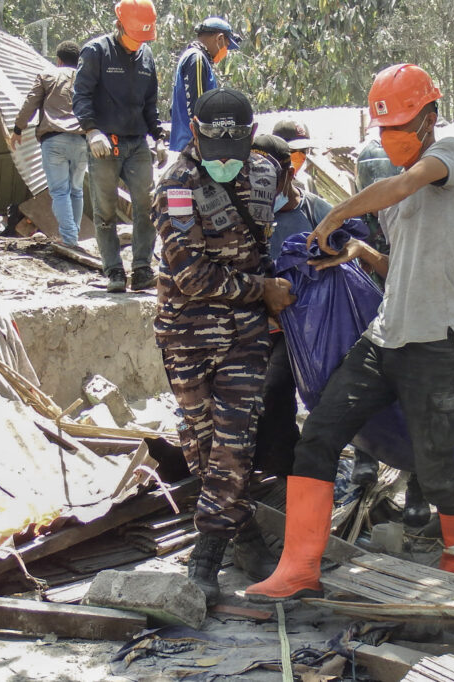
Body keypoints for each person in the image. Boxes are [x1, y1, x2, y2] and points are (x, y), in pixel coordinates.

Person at [247, 64, 454, 602]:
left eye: (401, 125)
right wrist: (358, 251)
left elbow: (401, 183)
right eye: (384, 129)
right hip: (385, 336)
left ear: (429, 118)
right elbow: (405, 264)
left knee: (438, 469)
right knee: (319, 437)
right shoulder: (397, 193)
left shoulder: (451, 154)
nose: (391, 136)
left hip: (437, 341)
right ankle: (299, 569)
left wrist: (332, 220)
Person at [154, 87, 295, 604]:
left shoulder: (265, 171)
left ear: (252, 137)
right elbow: (189, 274)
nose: (224, 165)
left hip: (245, 335)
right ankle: (246, 534)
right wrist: (263, 290)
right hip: (187, 332)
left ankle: (205, 558)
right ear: (195, 132)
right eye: (215, 153)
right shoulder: (175, 184)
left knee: (234, 443)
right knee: (202, 445)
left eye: (234, 155)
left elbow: (279, 222)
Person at [248, 133, 331, 477]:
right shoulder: (248, 213)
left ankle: (290, 470)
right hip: (258, 322)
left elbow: (342, 264)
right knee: (261, 399)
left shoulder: (315, 211)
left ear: (288, 175)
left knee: (275, 389)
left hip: (305, 328)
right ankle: (274, 467)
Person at [74, 0, 163, 293]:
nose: (138, 44)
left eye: (143, 39)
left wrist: (159, 136)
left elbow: (150, 103)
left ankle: (141, 269)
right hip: (104, 143)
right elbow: (81, 95)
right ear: (119, 25)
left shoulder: (146, 55)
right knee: (106, 211)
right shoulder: (96, 52)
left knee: (147, 206)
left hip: (137, 142)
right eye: (134, 36)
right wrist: (91, 130)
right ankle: (113, 271)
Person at [11, 40, 86, 248]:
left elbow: (30, 104)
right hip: (82, 141)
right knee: (76, 190)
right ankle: (74, 236)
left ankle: (69, 238)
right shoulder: (87, 79)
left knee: (60, 191)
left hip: (54, 140)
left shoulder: (47, 75)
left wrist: (17, 129)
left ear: (58, 60)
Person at [169, 17, 241, 154]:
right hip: (195, 146)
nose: (225, 52)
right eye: (226, 45)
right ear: (219, 39)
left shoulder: (192, 57)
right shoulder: (196, 59)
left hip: (187, 144)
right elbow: (199, 107)